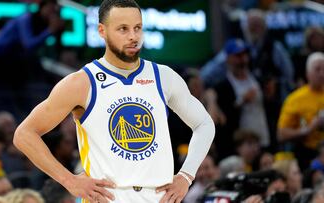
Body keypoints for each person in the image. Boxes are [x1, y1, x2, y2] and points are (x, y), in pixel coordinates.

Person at [13, 1, 215, 203]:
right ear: (102, 31)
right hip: (109, 197)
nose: (133, 36)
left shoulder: (163, 76)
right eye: (123, 29)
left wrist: (186, 176)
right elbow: (24, 135)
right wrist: (69, 180)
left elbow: (204, 124)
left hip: (159, 196)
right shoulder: (81, 82)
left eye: (137, 28)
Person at [277, 52, 324, 170]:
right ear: (308, 74)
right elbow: (281, 134)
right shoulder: (295, 99)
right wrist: (308, 129)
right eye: (317, 69)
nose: (322, 73)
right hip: (308, 153)